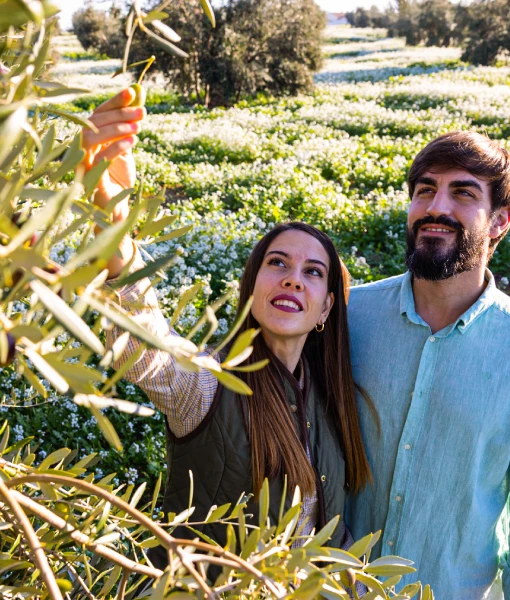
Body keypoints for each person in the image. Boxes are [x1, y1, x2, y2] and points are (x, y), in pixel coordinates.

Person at [79, 88, 371, 558]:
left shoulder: (327, 398)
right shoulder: (208, 384)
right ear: (251, 288)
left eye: (313, 272)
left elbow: (328, 532)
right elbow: (147, 349)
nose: (293, 279)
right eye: (277, 264)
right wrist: (114, 224)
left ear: (326, 309)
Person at [344, 131, 510, 600]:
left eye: (463, 192)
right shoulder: (349, 315)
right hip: (329, 586)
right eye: (425, 190)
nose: (436, 207)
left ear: (499, 221)